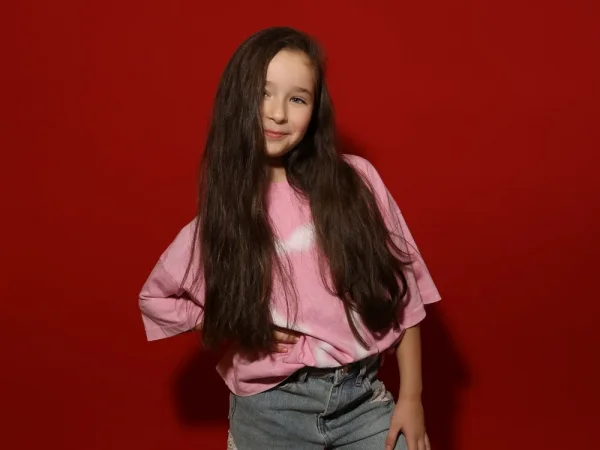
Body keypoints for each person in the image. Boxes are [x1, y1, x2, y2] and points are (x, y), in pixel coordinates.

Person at [138, 26, 441, 450]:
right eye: (263, 93)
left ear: (315, 110)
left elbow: (405, 294)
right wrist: (230, 319)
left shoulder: (357, 182)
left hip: (361, 400)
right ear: (238, 100)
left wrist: (411, 398)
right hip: (269, 411)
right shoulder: (224, 218)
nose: (278, 113)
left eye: (297, 99)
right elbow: (155, 298)